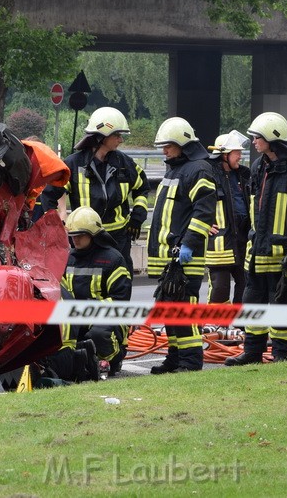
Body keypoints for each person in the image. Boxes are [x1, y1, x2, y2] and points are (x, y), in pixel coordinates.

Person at [225, 112, 287, 366]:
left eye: (257, 137)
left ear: (272, 138)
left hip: (286, 257)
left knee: (283, 308)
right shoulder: (258, 167)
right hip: (258, 253)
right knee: (253, 304)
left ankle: (281, 354)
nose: (254, 141)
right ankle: (252, 352)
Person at [38, 107, 149, 273]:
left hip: (118, 238)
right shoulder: (73, 165)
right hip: (86, 238)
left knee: (120, 279)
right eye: (117, 135)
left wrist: (137, 217)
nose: (121, 140)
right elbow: (49, 195)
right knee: (87, 280)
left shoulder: (125, 164)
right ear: (102, 137)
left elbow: (142, 187)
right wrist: (56, 225)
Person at [147, 117, 216, 374]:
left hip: (185, 256)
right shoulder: (176, 168)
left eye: (168, 145)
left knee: (184, 311)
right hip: (170, 256)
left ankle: (190, 362)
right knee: (171, 311)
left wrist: (188, 244)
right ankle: (175, 359)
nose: (164, 150)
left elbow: (204, 212)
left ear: (183, 144)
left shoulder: (199, 169)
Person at [54, 207, 132, 378]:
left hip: (106, 319)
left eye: (80, 235)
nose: (75, 240)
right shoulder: (68, 259)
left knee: (98, 334)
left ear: (93, 234)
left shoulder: (113, 259)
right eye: (72, 236)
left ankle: (113, 359)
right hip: (76, 319)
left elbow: (120, 300)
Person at [205, 130, 251, 304]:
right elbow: (192, 202)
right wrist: (204, 224)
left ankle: (241, 328)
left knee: (246, 286)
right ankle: (216, 327)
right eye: (236, 153)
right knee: (220, 288)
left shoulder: (243, 175)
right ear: (224, 155)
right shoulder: (208, 175)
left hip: (243, 239)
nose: (240, 156)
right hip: (220, 243)